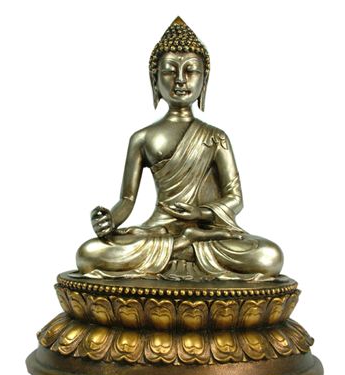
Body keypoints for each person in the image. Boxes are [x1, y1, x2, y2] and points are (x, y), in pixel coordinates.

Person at [75, 17, 283, 281]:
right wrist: (109, 222)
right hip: (158, 233)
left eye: (191, 71)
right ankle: (182, 246)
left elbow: (235, 198)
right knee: (90, 253)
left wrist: (200, 213)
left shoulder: (215, 137)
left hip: (207, 235)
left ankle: (185, 243)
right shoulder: (142, 138)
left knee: (268, 255)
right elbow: (127, 200)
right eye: (170, 71)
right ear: (155, 80)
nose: (181, 80)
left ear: (204, 81)